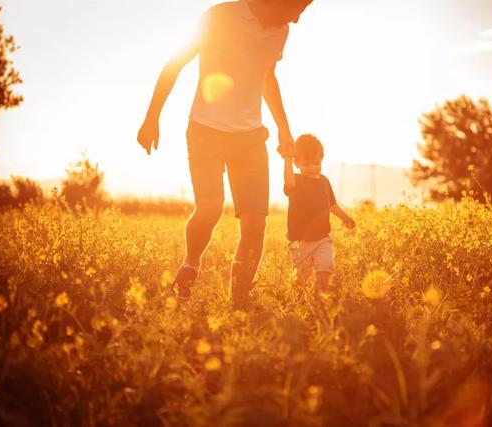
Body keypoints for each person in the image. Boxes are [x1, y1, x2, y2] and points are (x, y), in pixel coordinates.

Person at [136, 0, 313, 309]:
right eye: (296, 8)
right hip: (206, 131)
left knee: (256, 226)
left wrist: (284, 129)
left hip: (251, 138)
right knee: (209, 209)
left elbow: (267, 76)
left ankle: (240, 303)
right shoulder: (220, 17)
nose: (297, 20)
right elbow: (175, 62)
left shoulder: (280, 31)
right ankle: (191, 264)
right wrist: (152, 117)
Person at [283, 134, 356, 291]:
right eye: (306, 164)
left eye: (316, 163)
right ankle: (300, 302)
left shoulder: (324, 181)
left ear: (321, 159)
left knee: (325, 268)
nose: (312, 167)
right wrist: (287, 159)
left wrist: (345, 217)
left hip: (322, 238)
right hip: (299, 241)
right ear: (297, 163)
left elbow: (332, 205)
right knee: (301, 279)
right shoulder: (296, 181)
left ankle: (321, 296)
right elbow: (288, 182)